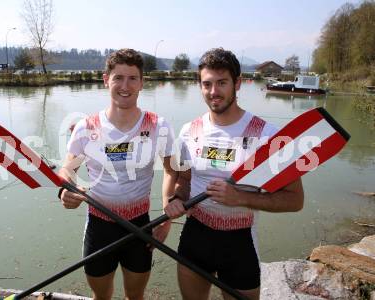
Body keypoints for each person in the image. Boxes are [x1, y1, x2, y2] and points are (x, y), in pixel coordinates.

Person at [164, 48, 304, 300]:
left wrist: (241, 198)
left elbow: (295, 200)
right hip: (195, 237)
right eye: (207, 84)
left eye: (222, 83)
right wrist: (176, 200)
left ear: (237, 83)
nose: (214, 92)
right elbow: (183, 182)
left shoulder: (268, 135)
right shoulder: (189, 131)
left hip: (239, 244)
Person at [58, 48, 176, 300]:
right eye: (118, 78)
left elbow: (172, 172)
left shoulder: (158, 126)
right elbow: (68, 169)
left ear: (142, 82)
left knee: (135, 296)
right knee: (101, 296)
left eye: (133, 78)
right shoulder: (86, 126)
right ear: (105, 80)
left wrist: (166, 219)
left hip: (140, 225)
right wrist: (65, 191)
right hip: (99, 226)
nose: (125, 85)